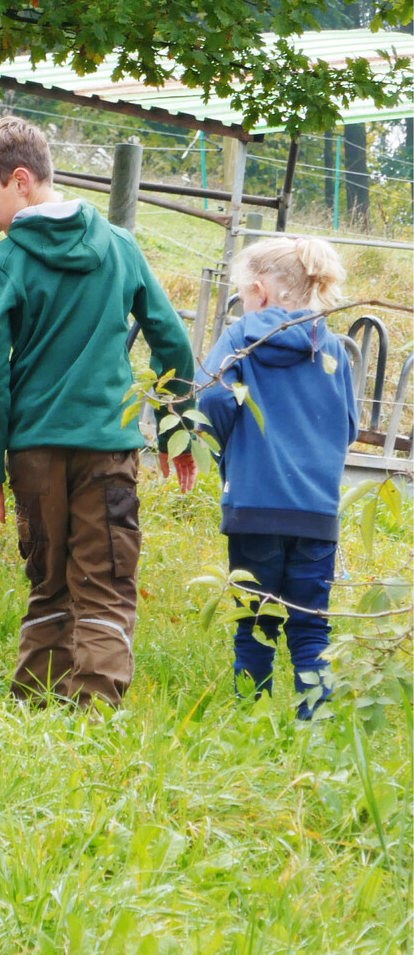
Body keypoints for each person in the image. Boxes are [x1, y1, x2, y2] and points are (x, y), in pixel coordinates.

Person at [0, 116, 198, 710]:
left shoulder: (0, 265)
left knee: (49, 580)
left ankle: (36, 701)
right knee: (108, 578)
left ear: (20, 181)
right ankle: (94, 708)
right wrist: (176, 430)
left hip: (35, 453)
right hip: (109, 446)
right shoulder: (120, 246)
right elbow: (172, 343)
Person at [196, 236, 357, 720]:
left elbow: (209, 401)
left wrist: (234, 444)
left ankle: (252, 722)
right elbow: (347, 426)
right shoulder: (333, 349)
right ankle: (316, 722)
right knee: (311, 626)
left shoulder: (243, 336)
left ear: (261, 291)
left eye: (244, 292)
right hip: (317, 515)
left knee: (256, 621)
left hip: (255, 506)